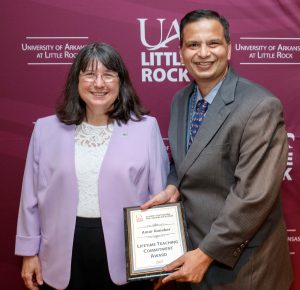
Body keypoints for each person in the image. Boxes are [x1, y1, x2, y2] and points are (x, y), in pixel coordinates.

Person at [142, 9, 293, 290]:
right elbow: (184, 162)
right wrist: (173, 186)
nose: (203, 53)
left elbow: (254, 196)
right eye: (193, 45)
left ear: (229, 49)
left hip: (246, 267)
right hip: (192, 257)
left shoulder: (260, 106)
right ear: (180, 53)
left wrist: (207, 253)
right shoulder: (180, 100)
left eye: (213, 43)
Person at [15, 42, 169, 290]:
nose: (99, 84)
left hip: (128, 254)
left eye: (108, 75)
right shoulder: (45, 129)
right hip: (60, 254)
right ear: (76, 81)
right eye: (89, 74)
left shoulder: (146, 128)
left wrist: (160, 258)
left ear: (121, 83)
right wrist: (28, 252)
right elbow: (30, 198)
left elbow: (160, 196)